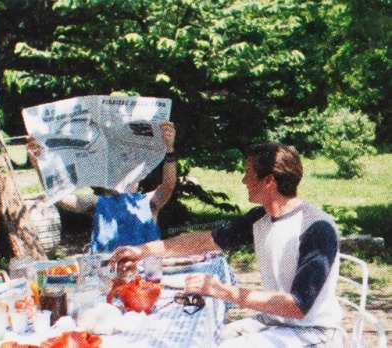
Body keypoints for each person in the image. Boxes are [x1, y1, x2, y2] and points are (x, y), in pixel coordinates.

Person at [109, 143, 343, 348]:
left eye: (248, 173)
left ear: (269, 180)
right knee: (204, 339)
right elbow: (204, 240)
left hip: (312, 331)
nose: (243, 180)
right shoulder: (261, 217)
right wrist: (141, 251)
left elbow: (297, 307)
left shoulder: (316, 227)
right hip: (275, 321)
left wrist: (222, 291)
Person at [27, 121, 177, 252]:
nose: (127, 179)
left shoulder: (148, 202)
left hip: (143, 275)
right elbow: (60, 197)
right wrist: (39, 165)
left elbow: (169, 184)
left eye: (133, 175)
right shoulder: (100, 203)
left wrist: (169, 149)